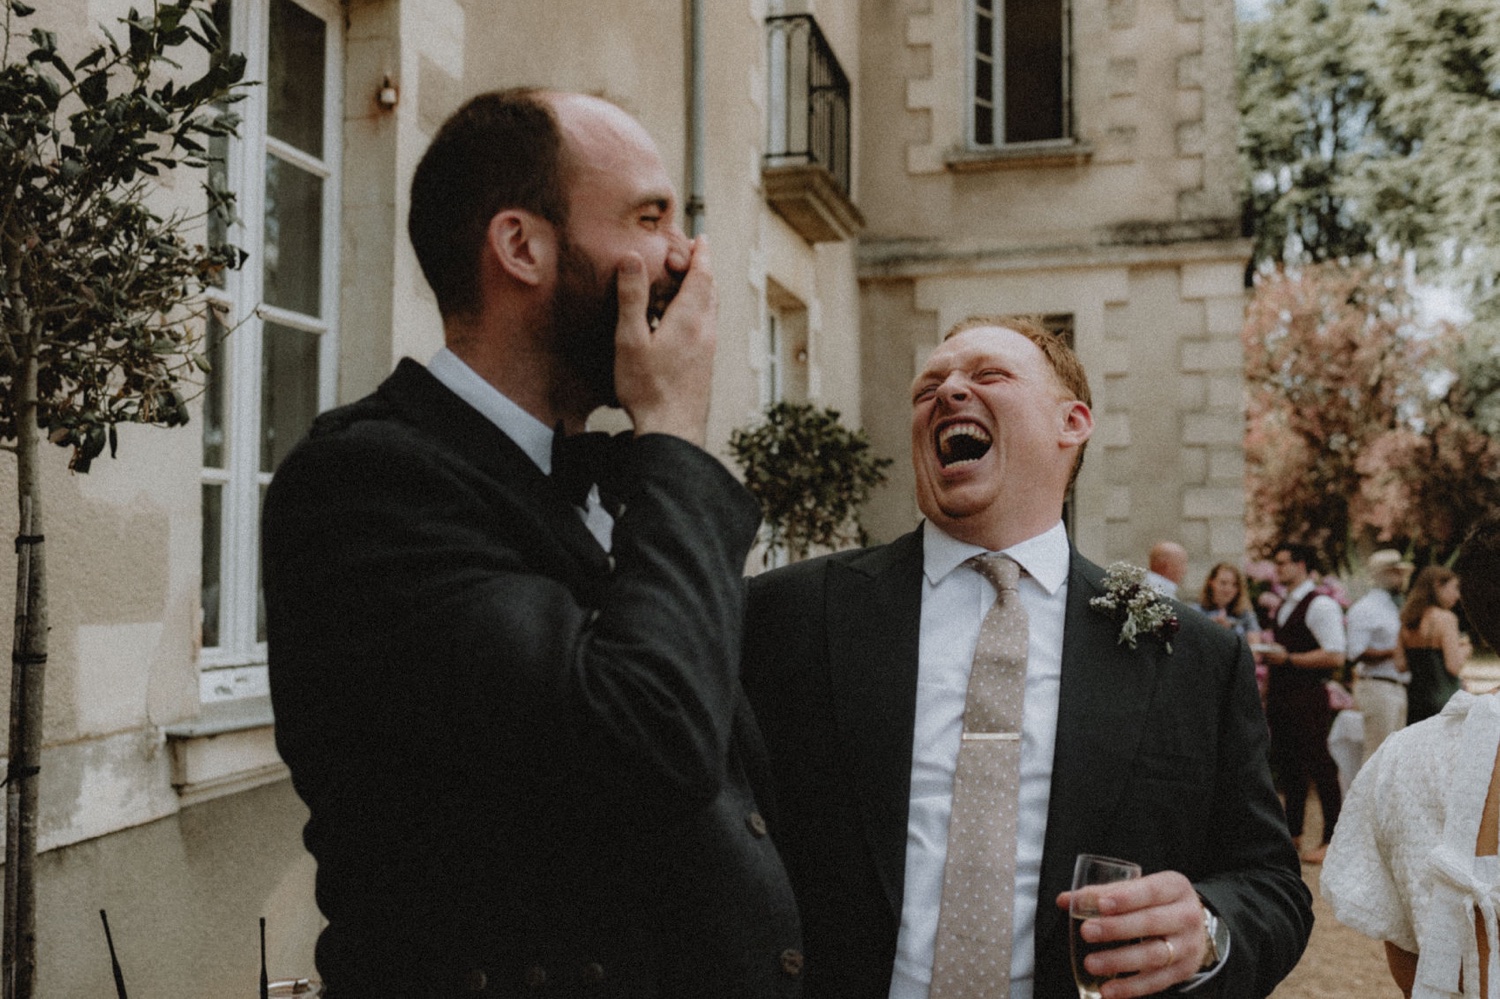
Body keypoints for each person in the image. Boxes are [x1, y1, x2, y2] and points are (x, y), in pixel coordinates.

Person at [262, 88, 802, 996]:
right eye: (650, 218)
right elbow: (647, 742)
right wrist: (673, 429)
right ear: (521, 247)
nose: (684, 256)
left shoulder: (596, 476)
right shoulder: (364, 486)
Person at [741, 316, 1312, 999]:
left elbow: (1271, 884)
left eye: (989, 375)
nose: (948, 391)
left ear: (1073, 423)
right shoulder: (784, 616)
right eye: (928, 387)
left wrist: (1208, 932)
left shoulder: (1193, 657)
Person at [1323, 512, 1500, 998]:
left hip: (1425, 706)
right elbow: (1455, 663)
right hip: (1443, 692)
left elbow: (1406, 955)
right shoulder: (1441, 620)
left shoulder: (1402, 757)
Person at [1261, 542, 1347, 863]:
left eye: (1283, 563)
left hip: (1308, 695)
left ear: (1301, 566)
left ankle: (1332, 839)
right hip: (1283, 696)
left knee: (1319, 764)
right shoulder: (1286, 604)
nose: (1278, 569)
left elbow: (1335, 655)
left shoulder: (1320, 605)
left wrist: (1289, 659)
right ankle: (1293, 834)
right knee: (1289, 766)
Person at [1346, 549, 1415, 766]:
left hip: (1398, 686)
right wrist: (1396, 651)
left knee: (1394, 755)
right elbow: (1356, 652)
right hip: (1377, 686)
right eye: (1395, 573)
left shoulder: (1396, 606)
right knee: (1377, 753)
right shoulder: (1366, 608)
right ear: (1380, 575)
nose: (1401, 578)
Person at [1401, 565, 1472, 727]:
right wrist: (1465, 649)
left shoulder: (1407, 619)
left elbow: (1401, 665)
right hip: (1443, 699)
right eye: (1454, 588)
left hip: (1415, 700)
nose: (1457, 595)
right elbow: (1453, 666)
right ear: (1438, 586)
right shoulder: (1446, 618)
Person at [1198, 562, 1263, 639]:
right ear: (1211, 583)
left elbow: (1255, 640)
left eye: (1234, 585)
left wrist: (1231, 629)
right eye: (1223, 583)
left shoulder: (1245, 614)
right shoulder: (1197, 611)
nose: (1228, 589)